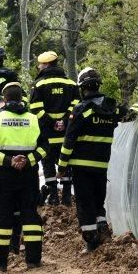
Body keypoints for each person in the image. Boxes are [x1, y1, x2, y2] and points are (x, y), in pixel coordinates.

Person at [57, 67, 125, 253]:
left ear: (82, 88)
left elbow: (69, 140)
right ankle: (103, 232)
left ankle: (91, 243)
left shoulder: (80, 110)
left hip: (81, 167)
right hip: (102, 165)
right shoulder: (112, 107)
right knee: (98, 201)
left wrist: (61, 167)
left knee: (85, 205)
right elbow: (130, 114)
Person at [0, 83, 48, 271]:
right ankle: (34, 260)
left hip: (3, 176)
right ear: (21, 99)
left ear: (5, 99)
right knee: (30, 215)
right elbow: (45, 148)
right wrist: (27, 160)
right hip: (28, 175)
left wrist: (9, 161)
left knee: (2, 218)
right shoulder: (34, 120)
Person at [29, 51, 79, 206]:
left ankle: (53, 197)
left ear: (45, 65)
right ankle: (66, 196)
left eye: (40, 65)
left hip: (47, 135)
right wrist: (64, 121)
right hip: (66, 135)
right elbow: (76, 106)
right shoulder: (71, 84)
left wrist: (52, 123)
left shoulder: (39, 84)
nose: (38, 67)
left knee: (48, 165)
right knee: (66, 163)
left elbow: (36, 108)